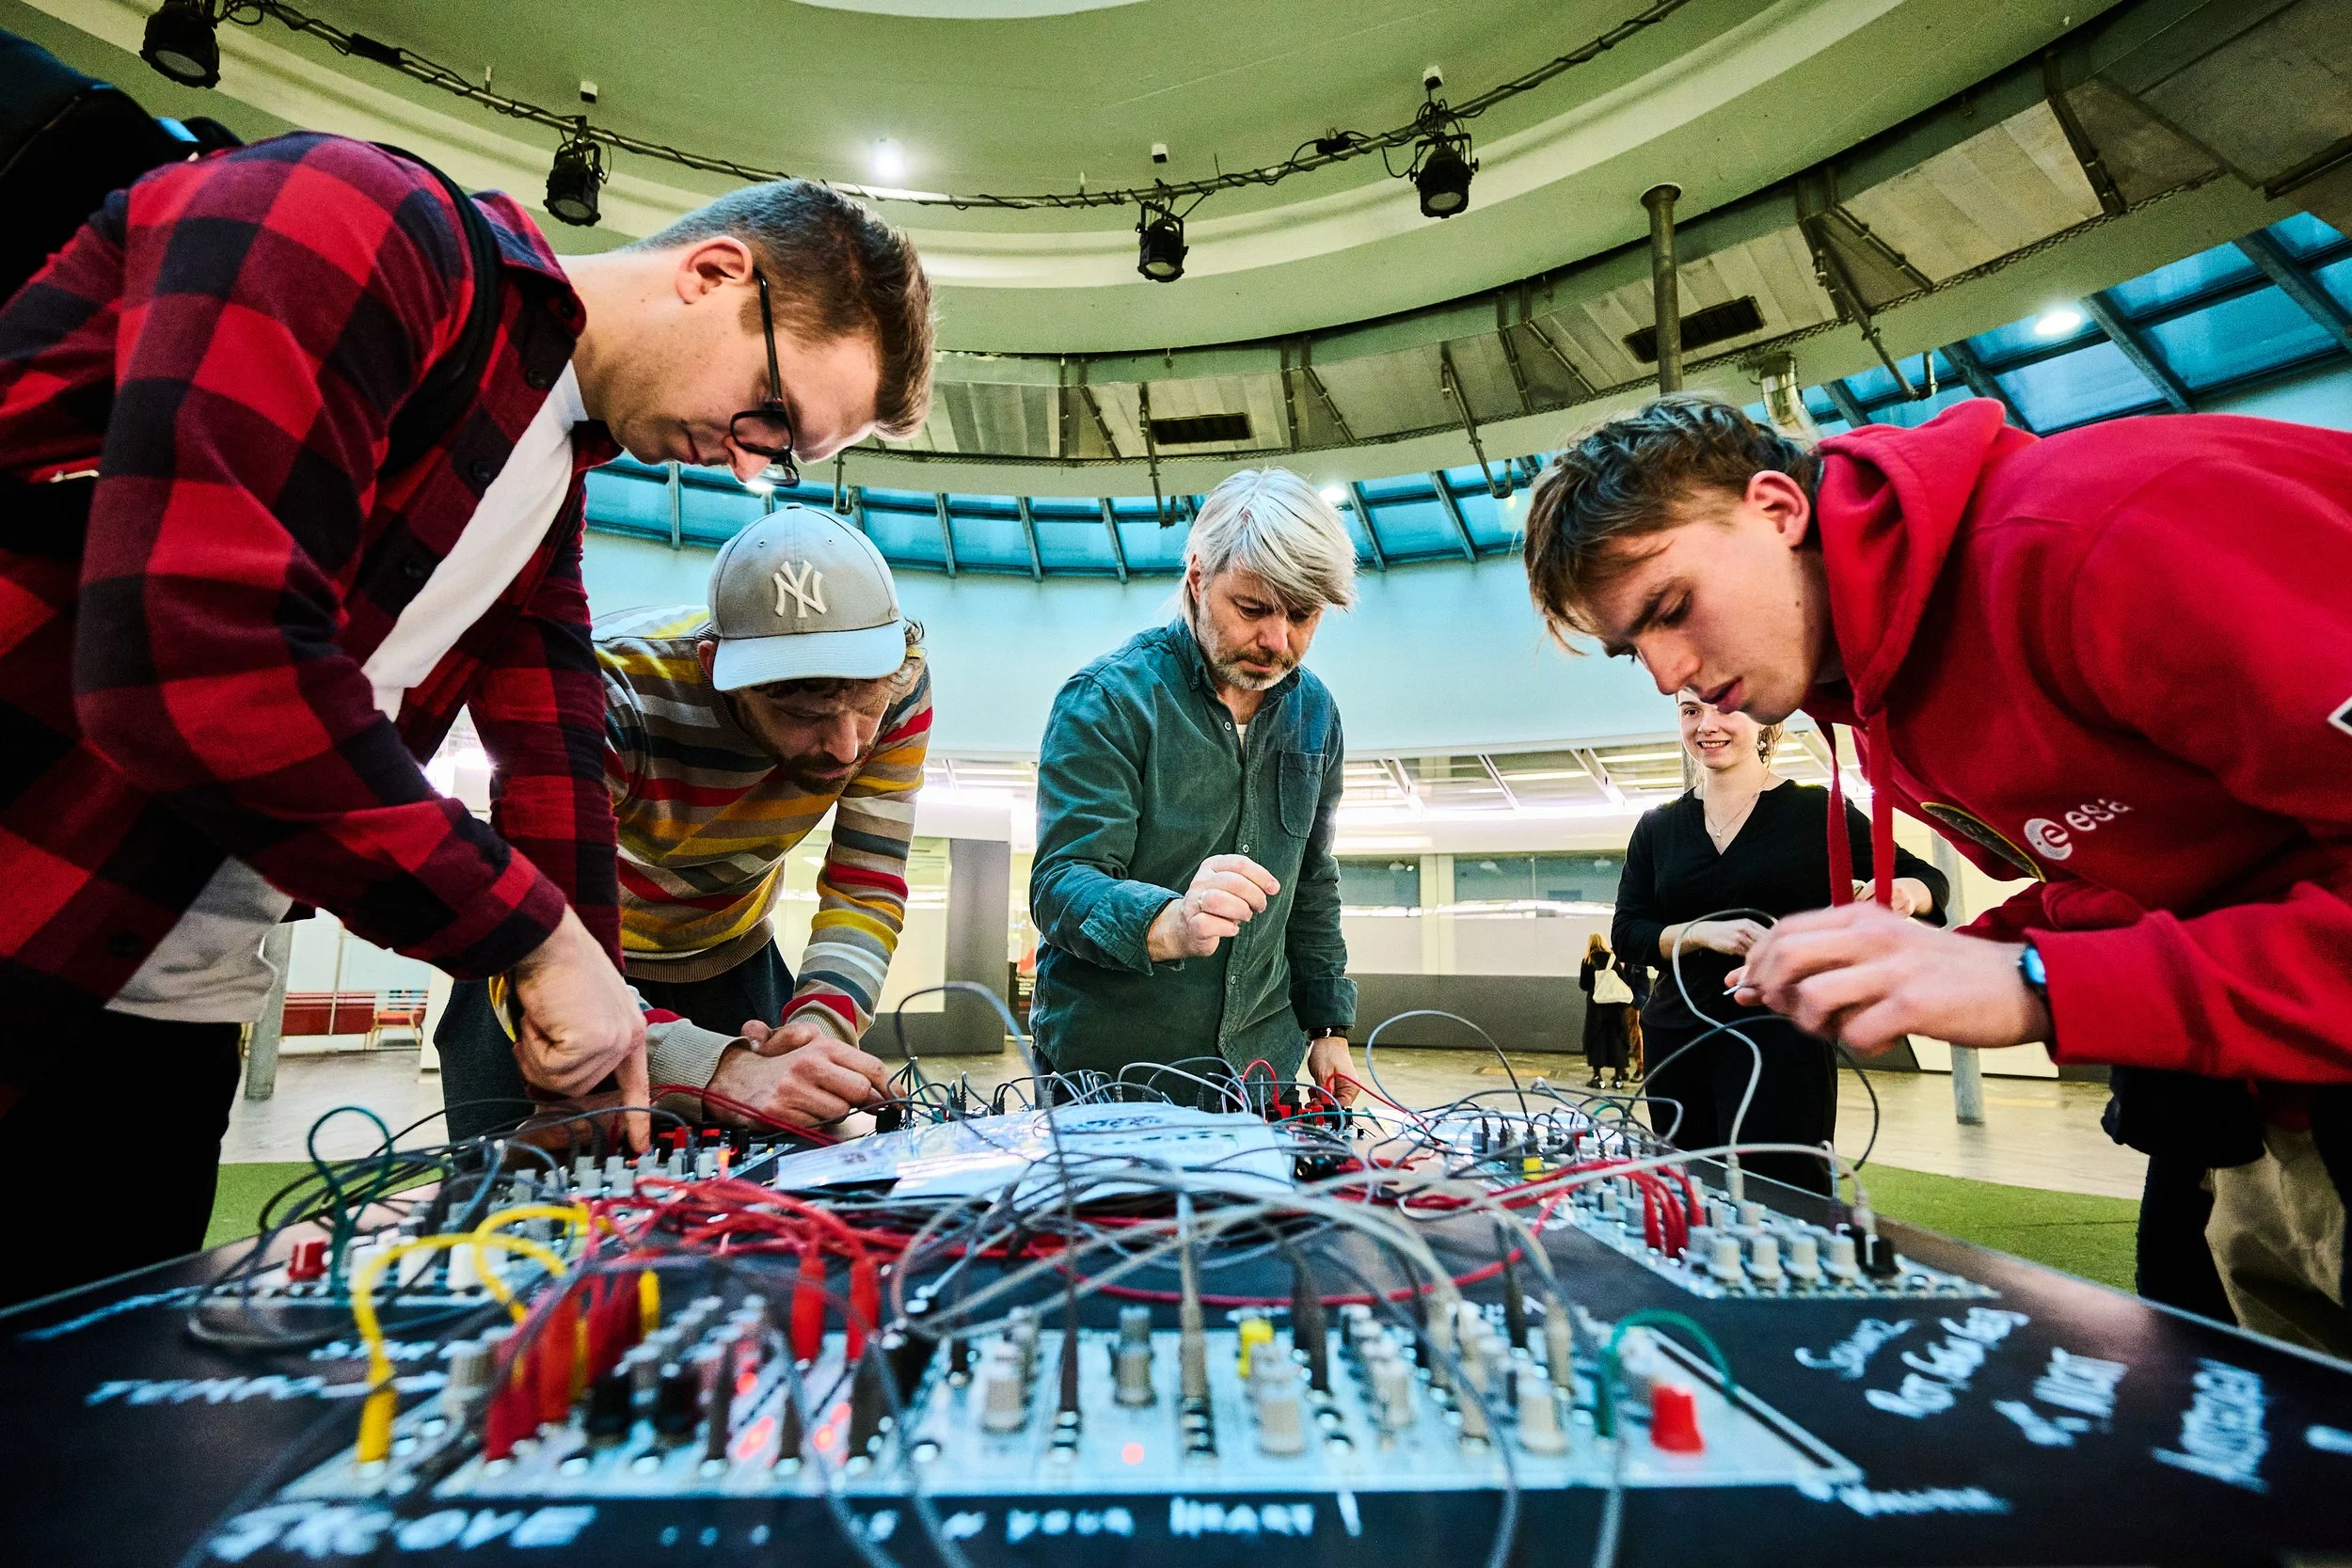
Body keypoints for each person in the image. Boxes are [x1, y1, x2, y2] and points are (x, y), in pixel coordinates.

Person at [0, 128, 933, 1301]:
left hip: (174, 990)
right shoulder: (357, 217)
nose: (749, 465)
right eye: (770, 416)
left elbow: (553, 774)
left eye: (782, 456)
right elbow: (187, 655)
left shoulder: (546, 478)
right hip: (33, 900)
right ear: (713, 273)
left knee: (82, 1392)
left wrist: (628, 1021)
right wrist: (537, 941)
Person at [1522, 392, 2352, 1352]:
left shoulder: (2104, 536)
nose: (1671, 674)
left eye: (1671, 609)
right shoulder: (1877, 702)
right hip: (2248, 1100)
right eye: (1634, 650)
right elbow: (2162, 872)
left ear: (1777, 508)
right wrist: (1965, 951)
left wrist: (2040, 980)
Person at [437, 508, 929, 1139]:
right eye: (805, 715)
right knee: (510, 1188)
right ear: (714, 667)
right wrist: (715, 1070)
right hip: (558, 954)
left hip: (733, 960)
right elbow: (533, 915)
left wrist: (816, 1034)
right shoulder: (602, 692)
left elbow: (866, 885)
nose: (847, 745)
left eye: (865, 705)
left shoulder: (900, 680)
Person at [1028, 468, 1362, 1106]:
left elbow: (1313, 881)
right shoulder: (1107, 701)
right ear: (1197, 578)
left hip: (1260, 1069)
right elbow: (1060, 883)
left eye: (1302, 615)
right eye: (1252, 609)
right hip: (1113, 1072)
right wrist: (1171, 923)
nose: (1277, 640)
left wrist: (1328, 1026)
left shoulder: (1316, 713)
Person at [1609, 691, 1947, 1194]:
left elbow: (1928, 879)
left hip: (1783, 1036)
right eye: (1691, 711)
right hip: (1678, 1037)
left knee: (1785, 1189)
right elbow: (1627, 933)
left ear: (1763, 718)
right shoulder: (1658, 827)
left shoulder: (1816, 811)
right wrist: (1697, 933)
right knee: (1690, 1191)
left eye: (1724, 708)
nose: (1706, 725)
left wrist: (1903, 893)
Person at [1579, 933, 1634, 1089]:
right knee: (1617, 1037)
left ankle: (1598, 1077)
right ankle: (1618, 1077)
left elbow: (1584, 984)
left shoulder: (1588, 960)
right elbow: (1623, 980)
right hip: (1615, 1007)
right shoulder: (1613, 959)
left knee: (1596, 1038)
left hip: (1596, 1008)